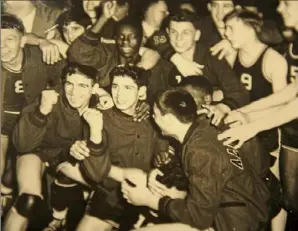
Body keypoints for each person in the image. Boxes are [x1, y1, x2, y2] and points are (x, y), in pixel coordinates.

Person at [121, 88, 270, 231]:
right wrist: (163, 170)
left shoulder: (199, 153)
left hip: (234, 222)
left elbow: (199, 217)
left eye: (155, 115)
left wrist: (151, 201)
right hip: (252, 204)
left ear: (169, 120)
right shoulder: (206, 124)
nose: (153, 118)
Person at [3, 63, 112, 231]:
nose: (74, 93)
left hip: (68, 159)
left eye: (82, 86)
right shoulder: (49, 98)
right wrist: (42, 111)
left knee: (107, 191)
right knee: (28, 201)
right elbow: (22, 145)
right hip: (38, 152)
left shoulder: (102, 108)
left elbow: (99, 168)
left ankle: (60, 216)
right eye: (70, 84)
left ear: (94, 88)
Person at [218, 0, 298, 219]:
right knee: (286, 198)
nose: (280, 8)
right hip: (266, 127)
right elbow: (293, 91)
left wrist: (251, 121)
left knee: (280, 194)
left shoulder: (273, 58)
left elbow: (290, 104)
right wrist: (243, 112)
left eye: (287, 3)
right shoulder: (231, 53)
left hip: (273, 130)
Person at [72, 64, 169, 231]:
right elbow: (95, 173)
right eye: (115, 87)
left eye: (127, 88)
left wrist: (161, 154)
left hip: (147, 196)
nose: (119, 94)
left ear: (142, 92)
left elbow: (162, 143)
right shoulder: (98, 119)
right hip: (110, 197)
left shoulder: (153, 118)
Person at [1, 13, 65, 215]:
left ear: (23, 41)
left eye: (9, 39)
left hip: (39, 126)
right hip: (5, 126)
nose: (2, 46)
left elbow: (69, 80)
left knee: (27, 196)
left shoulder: (42, 57)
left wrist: (44, 42)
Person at [151, 10, 250, 123]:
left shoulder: (211, 56)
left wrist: (222, 107)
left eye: (186, 33)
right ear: (168, 32)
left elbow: (240, 92)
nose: (179, 38)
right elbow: (154, 95)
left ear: (197, 35)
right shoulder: (165, 59)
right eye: (174, 32)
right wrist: (177, 60)